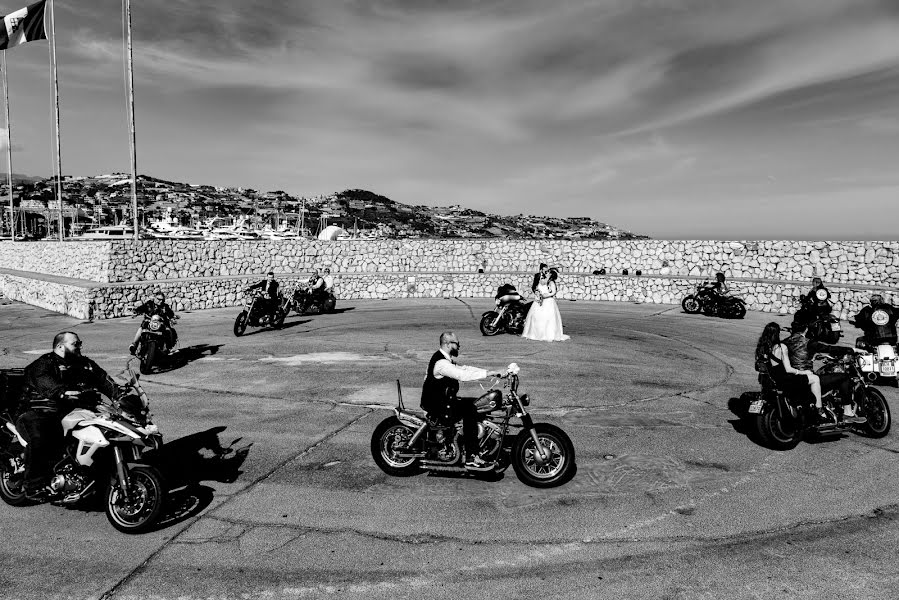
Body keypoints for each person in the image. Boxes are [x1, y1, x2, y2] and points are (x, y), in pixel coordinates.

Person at [16, 332, 118, 502]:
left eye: (80, 343)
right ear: (60, 347)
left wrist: (120, 394)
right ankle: (33, 485)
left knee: (105, 429)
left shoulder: (85, 364)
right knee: (41, 437)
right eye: (75, 344)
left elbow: (104, 381)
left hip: (72, 412)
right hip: (39, 412)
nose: (79, 347)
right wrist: (61, 392)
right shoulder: (45, 363)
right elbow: (43, 380)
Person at [420, 332, 505, 471]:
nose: (459, 346)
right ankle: (472, 456)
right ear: (448, 344)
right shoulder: (441, 363)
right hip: (437, 406)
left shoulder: (447, 360)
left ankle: (478, 440)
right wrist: (488, 374)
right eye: (457, 343)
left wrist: (492, 372)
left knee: (477, 403)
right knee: (470, 409)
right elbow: (462, 375)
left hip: (444, 401)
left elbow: (464, 368)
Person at [783, 320, 864, 423]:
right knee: (844, 377)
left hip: (792, 378)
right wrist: (853, 350)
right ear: (806, 329)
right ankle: (847, 413)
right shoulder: (808, 342)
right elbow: (830, 348)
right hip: (807, 377)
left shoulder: (784, 343)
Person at [755, 322, 826, 421]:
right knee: (814, 378)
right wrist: (804, 372)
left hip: (769, 380)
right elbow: (788, 369)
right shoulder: (780, 347)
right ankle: (819, 410)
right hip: (784, 381)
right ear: (777, 333)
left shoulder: (761, 348)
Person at [522, 268, 570, 342]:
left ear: (550, 275)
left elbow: (553, 292)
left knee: (548, 318)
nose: (546, 274)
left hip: (548, 301)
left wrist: (546, 295)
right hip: (539, 301)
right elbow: (537, 289)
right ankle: (535, 333)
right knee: (536, 317)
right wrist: (538, 294)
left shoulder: (551, 282)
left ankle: (547, 334)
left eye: (548, 273)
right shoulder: (542, 282)